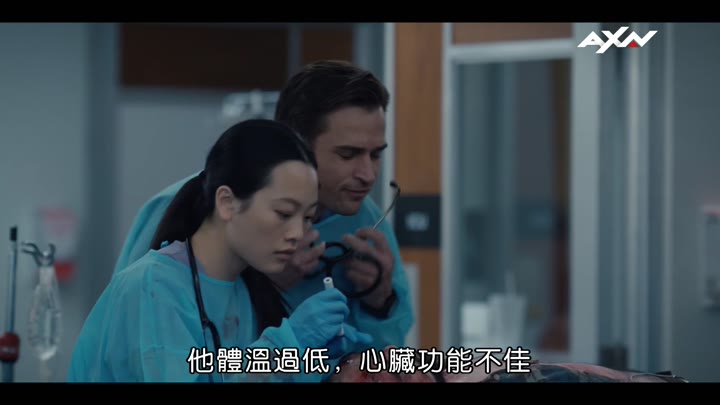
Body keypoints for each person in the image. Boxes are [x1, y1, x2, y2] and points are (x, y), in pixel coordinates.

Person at [111, 60, 415, 375]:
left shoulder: (366, 221)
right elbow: (145, 350)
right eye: (348, 154)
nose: (368, 175)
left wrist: (381, 303)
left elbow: (380, 367)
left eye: (376, 155)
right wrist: (266, 289)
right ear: (296, 144)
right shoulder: (177, 214)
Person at [67, 119, 373, 383]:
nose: (298, 233)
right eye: (283, 213)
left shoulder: (244, 291)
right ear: (227, 202)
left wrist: (313, 365)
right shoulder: (155, 288)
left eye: (307, 218)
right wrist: (288, 343)